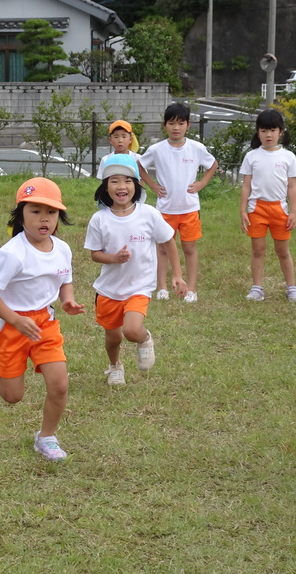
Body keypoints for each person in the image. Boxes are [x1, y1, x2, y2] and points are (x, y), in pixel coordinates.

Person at [0, 178, 85, 462]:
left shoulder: (62, 248)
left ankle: (46, 437)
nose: (44, 219)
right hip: (10, 325)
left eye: (50, 213)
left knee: (60, 384)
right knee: (12, 397)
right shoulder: (12, 253)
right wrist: (15, 320)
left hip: (45, 324)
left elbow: (65, 280)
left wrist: (67, 300)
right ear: (21, 214)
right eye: (35, 211)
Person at [85, 155, 186, 385]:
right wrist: (114, 258)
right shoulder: (99, 219)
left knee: (131, 330)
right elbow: (94, 254)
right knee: (112, 337)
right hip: (109, 289)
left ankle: (145, 339)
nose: (122, 186)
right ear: (105, 187)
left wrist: (178, 275)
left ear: (137, 186)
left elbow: (168, 240)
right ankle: (115, 366)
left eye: (128, 181)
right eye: (115, 181)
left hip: (139, 287)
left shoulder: (148, 214)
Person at [140, 103, 218, 303]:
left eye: (180, 123)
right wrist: (153, 185)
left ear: (188, 125)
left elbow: (213, 164)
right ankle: (163, 287)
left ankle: (191, 288)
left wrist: (201, 183)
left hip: (190, 208)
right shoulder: (157, 149)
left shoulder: (196, 148)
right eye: (172, 123)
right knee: (163, 249)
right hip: (165, 209)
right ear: (164, 125)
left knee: (189, 248)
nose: (176, 128)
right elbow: (139, 165)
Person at [239, 108, 296, 303]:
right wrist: (243, 210)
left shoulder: (288, 157)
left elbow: (292, 187)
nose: (268, 135)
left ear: (281, 132)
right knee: (258, 251)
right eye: (264, 130)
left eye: (273, 130)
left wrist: (293, 212)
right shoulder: (251, 156)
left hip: (279, 209)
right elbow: (246, 186)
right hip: (256, 209)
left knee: (283, 251)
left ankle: (291, 288)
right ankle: (257, 288)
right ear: (258, 132)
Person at [95, 120, 151, 184]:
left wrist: (135, 193)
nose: (120, 140)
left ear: (130, 139)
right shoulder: (106, 160)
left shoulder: (137, 158)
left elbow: (142, 179)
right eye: (116, 137)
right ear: (110, 140)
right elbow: (103, 181)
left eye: (124, 136)